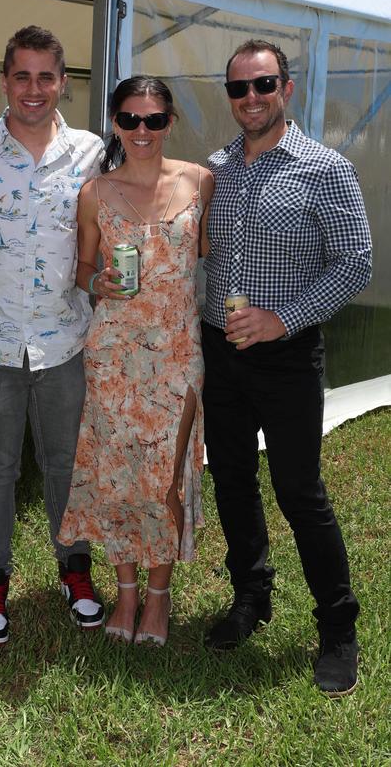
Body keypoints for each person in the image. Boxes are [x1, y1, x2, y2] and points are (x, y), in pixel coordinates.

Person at [201, 38, 372, 696]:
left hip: (287, 357)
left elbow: (354, 263)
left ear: (287, 90)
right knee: (233, 480)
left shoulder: (326, 169)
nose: (251, 99)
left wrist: (282, 318)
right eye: (239, 88)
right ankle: (252, 596)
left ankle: (338, 627)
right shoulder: (217, 168)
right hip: (220, 350)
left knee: (301, 492)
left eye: (263, 85)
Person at [0, 25, 106, 645]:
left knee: (66, 462)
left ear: (64, 82)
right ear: (4, 80)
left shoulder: (93, 151)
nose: (34, 89)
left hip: (65, 336)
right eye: (22, 76)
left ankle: (75, 569)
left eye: (46, 76)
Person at [58, 76, 214, 646]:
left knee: (165, 481)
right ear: (116, 124)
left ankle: (159, 599)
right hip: (114, 354)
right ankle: (125, 595)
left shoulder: (200, 181)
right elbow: (81, 272)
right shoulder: (95, 192)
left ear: (170, 122)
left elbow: (211, 258)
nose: (141, 131)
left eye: (153, 120)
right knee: (120, 478)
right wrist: (100, 280)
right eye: (129, 120)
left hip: (176, 351)